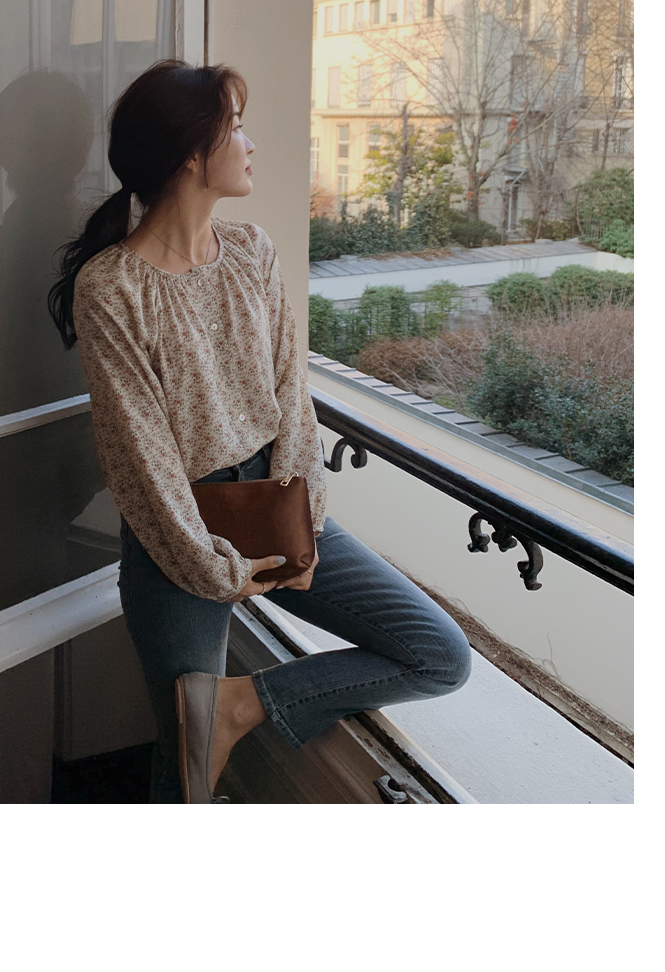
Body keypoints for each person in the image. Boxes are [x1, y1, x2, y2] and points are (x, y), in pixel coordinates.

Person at [48, 53, 471, 802]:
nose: (250, 144)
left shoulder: (252, 251)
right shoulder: (111, 286)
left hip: (273, 499)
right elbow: (139, 455)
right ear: (191, 152)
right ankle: (208, 728)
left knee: (440, 655)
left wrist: (299, 524)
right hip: (177, 533)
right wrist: (211, 567)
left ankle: (241, 704)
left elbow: (290, 396)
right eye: (235, 127)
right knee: (187, 776)